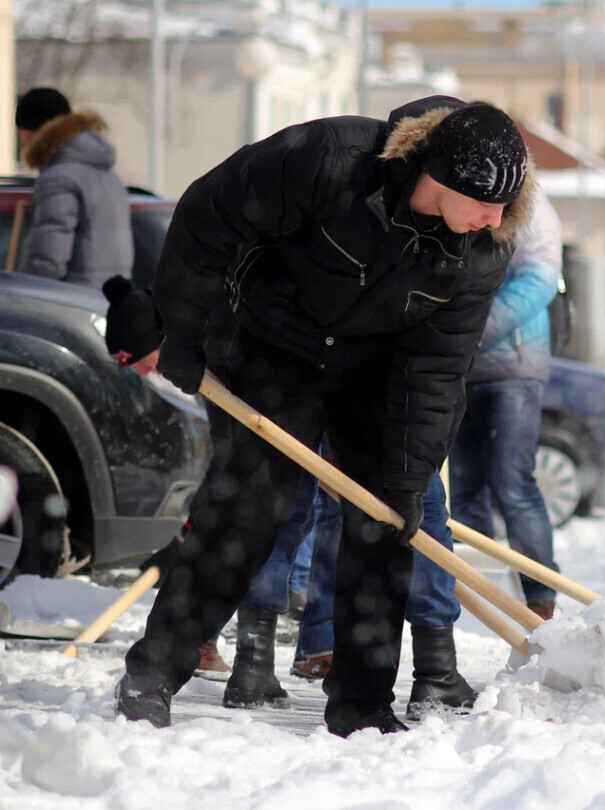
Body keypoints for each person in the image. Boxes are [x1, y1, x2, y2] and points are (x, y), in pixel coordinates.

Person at [112, 95, 534, 738]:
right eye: (484, 204)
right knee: (245, 514)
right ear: (440, 178)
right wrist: (183, 333)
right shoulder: (329, 160)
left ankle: (362, 707)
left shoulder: (480, 249)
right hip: (270, 347)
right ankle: (153, 673)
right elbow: (210, 216)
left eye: (505, 206)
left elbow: (438, 369)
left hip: (374, 372)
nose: (496, 219)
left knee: (384, 523)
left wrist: (408, 474)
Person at [449, 188, 562, 621]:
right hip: (460, 367)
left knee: (513, 483)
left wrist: (474, 329)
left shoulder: (531, 205)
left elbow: (539, 279)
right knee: (465, 488)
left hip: (515, 365)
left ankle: (540, 597)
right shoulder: (458, 197)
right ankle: (480, 593)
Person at [15, 87, 133, 288]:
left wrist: (22, 295)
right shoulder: (109, 176)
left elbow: (47, 262)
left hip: (70, 306)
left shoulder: (58, 179)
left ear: (28, 133)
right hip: (107, 304)